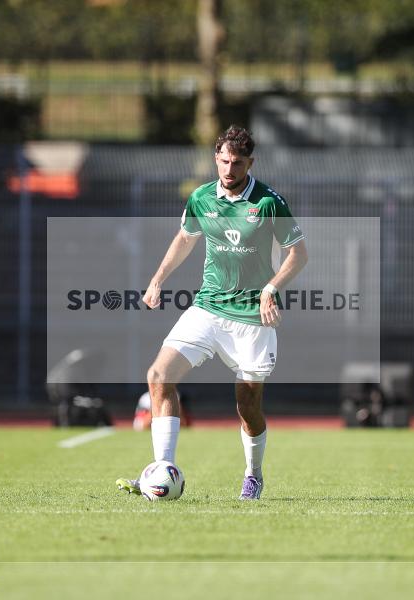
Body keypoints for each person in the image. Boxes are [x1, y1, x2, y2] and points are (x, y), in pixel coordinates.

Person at [116, 125, 307, 500]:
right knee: (159, 375)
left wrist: (271, 289)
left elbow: (298, 254)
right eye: (223, 161)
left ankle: (253, 474)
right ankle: (162, 469)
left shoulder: (269, 203)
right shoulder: (202, 198)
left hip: (252, 320)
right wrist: (157, 280)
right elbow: (185, 238)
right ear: (215, 159)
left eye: (237, 162)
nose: (229, 169)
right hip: (208, 307)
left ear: (250, 162)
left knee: (247, 407)